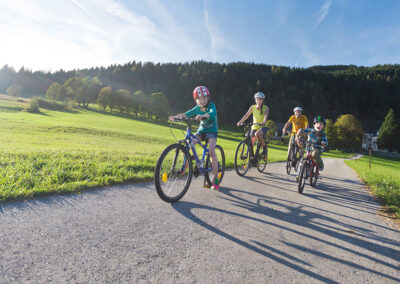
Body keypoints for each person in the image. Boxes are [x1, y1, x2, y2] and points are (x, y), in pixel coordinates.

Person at [169, 86, 220, 190]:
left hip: (212, 131)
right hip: (201, 131)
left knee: (211, 151)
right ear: (196, 100)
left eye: (204, 98)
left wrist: (203, 116)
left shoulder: (211, 105)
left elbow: (211, 113)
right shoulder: (197, 108)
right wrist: (176, 117)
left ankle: (215, 177)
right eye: (200, 99)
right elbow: (186, 114)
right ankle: (185, 166)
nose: (202, 101)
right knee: (188, 143)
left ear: (207, 98)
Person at [236, 92, 269, 157]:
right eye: (257, 99)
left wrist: (264, 122)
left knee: (257, 134)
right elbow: (246, 115)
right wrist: (240, 121)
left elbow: (265, 116)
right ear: (255, 99)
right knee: (250, 144)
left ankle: (265, 148)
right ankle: (252, 158)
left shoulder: (266, 108)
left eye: (260, 99)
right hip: (254, 127)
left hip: (263, 127)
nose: (259, 101)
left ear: (262, 100)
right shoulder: (252, 107)